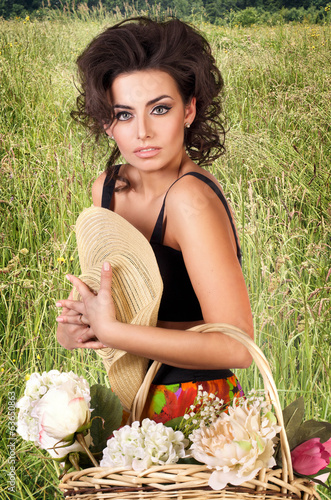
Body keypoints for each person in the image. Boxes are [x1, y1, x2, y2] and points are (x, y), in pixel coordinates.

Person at [56, 17, 254, 424]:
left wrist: (113, 333)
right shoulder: (107, 189)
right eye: (124, 115)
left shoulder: (190, 201)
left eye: (159, 109)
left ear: (189, 109)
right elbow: (115, 307)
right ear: (107, 123)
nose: (142, 132)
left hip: (199, 403)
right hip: (131, 394)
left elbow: (239, 347)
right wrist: (77, 328)